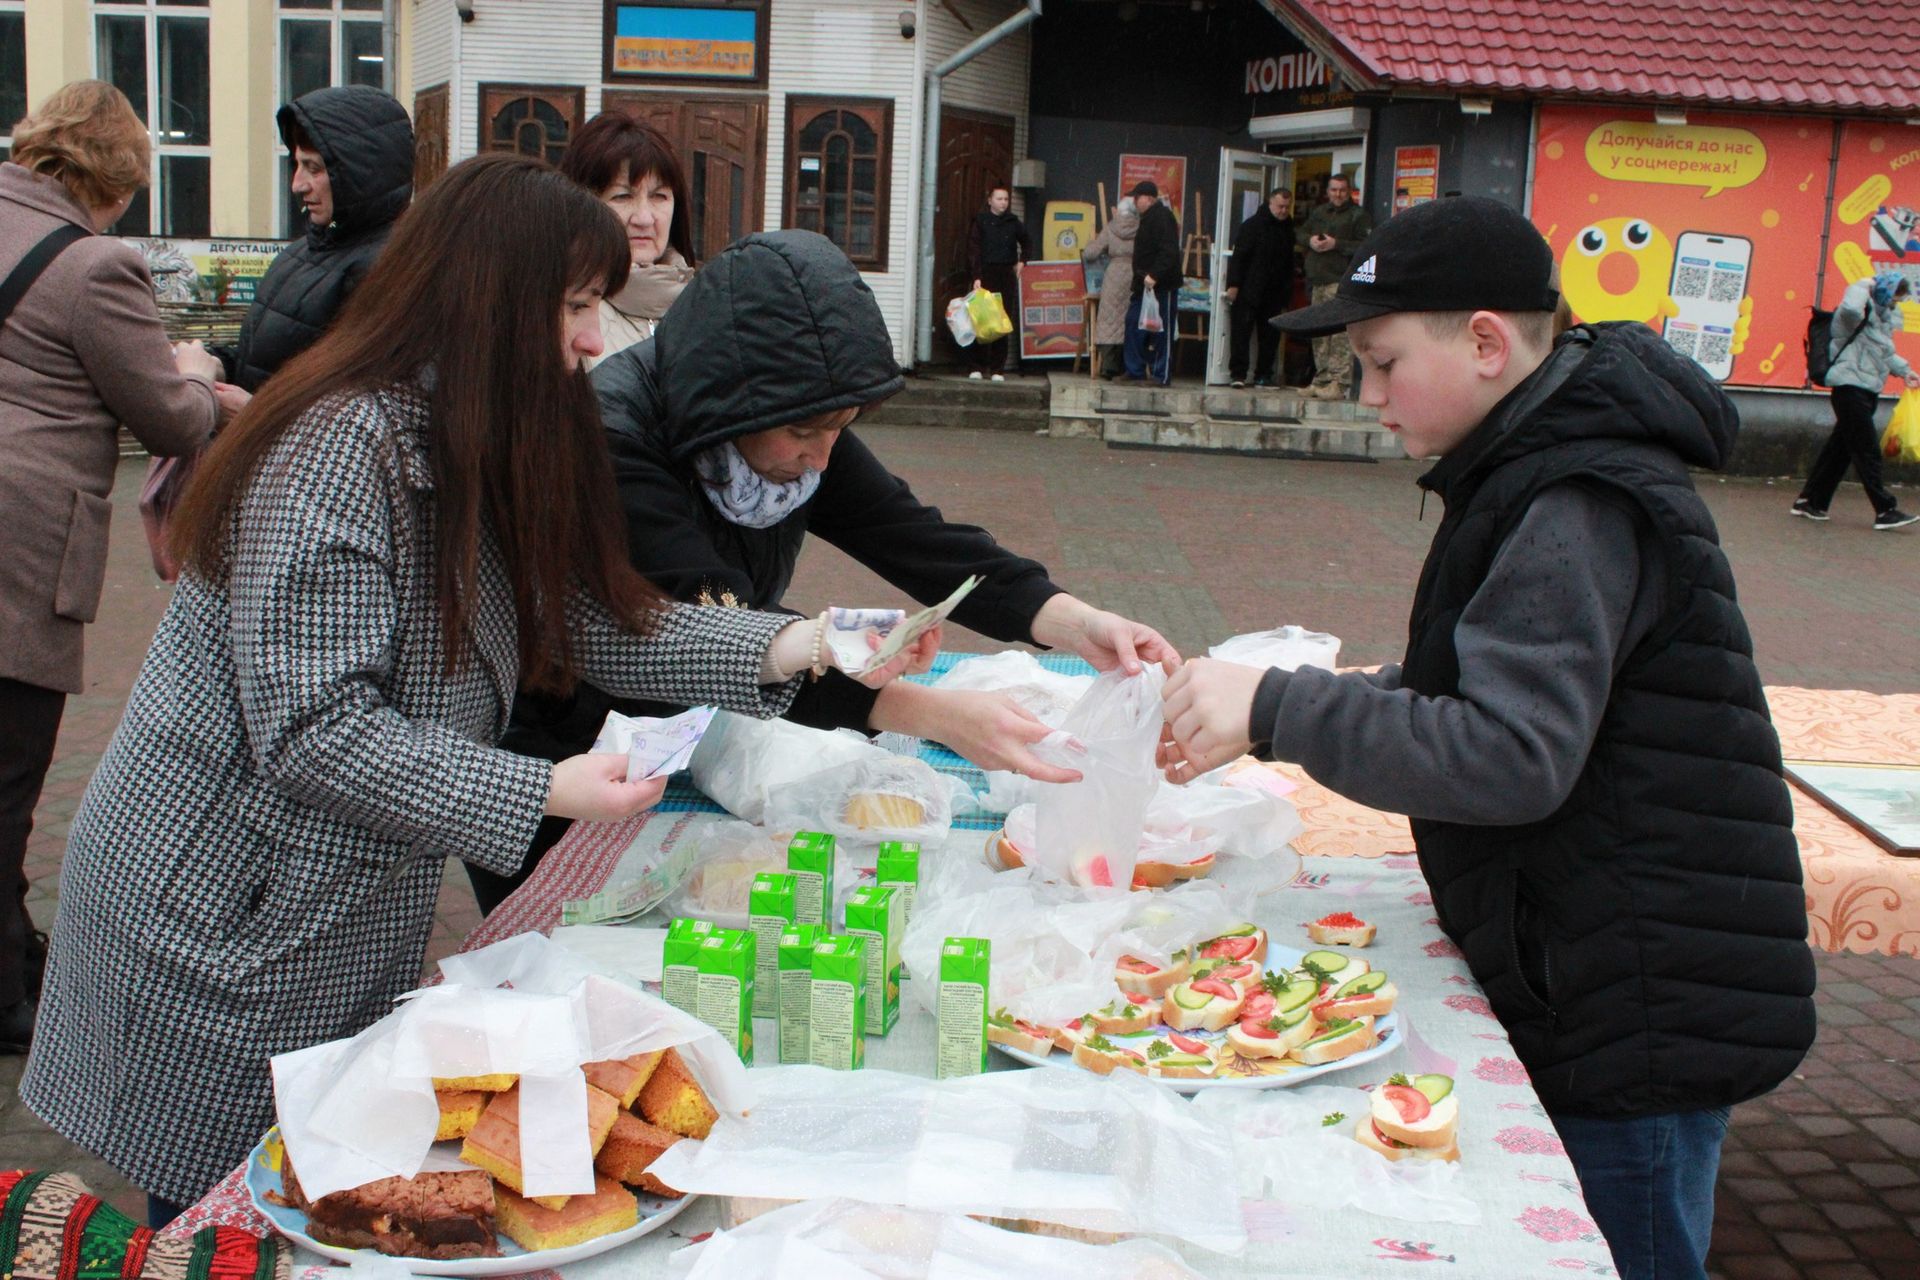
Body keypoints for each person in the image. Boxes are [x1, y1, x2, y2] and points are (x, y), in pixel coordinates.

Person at [18, 155, 909, 1222]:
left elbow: (586, 617)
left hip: (319, 904)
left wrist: (804, 642)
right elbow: (315, 728)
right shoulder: (336, 448)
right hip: (220, 915)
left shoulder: (474, 429)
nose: (592, 337)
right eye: (575, 305)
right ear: (490, 300)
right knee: (222, 1211)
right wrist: (546, 789)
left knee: (303, 1187)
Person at [1161, 197, 1815, 1280]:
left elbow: (1510, 753)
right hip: (1609, 972)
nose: (1368, 396)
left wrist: (1279, 705)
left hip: (1634, 1002)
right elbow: (1462, 692)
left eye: (1381, 361)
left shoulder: (1577, 495)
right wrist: (1278, 703)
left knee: (1633, 1252)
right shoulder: (1537, 465)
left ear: (1484, 341)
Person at [483, 230, 1181, 913]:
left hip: (685, 736)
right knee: (559, 954)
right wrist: (927, 711)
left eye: (839, 428)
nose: (821, 458)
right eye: (804, 435)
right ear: (732, 400)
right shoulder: (612, 441)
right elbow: (709, 633)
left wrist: (1073, 620)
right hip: (562, 758)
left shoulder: (791, 413)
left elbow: (913, 536)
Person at [0, 81, 220, 1056]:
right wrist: (203, 375)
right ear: (121, 178)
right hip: (17, 551)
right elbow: (166, 418)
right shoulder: (95, 267)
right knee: (9, 780)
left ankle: (15, 955)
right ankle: (8, 996)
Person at [208, 85, 413, 415]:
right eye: (296, 164)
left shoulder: (386, 271)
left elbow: (363, 413)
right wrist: (217, 364)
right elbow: (268, 366)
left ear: (361, 172)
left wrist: (251, 415)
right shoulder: (304, 253)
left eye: (314, 168)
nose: (297, 184)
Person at [559, 111, 698, 368]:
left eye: (659, 196)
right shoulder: (560, 320)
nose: (644, 218)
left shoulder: (706, 313)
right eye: (622, 196)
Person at [1792, 269, 1920, 529]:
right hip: (1848, 389)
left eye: (1900, 297)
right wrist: (1863, 284)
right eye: (1894, 293)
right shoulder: (1852, 314)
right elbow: (1850, 309)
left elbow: (1883, 353)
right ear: (1882, 288)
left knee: (1839, 452)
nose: (1896, 300)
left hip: (1867, 390)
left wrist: (1906, 372)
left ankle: (1810, 502)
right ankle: (1886, 510)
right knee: (1867, 450)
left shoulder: (1881, 321)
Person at [1295, 174, 1372, 399]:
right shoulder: (1320, 212)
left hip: (1340, 280)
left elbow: (1365, 246)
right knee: (1319, 331)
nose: (1337, 195)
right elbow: (1300, 232)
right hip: (1317, 280)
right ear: (1327, 191)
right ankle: (1322, 378)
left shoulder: (1358, 215)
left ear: (1349, 192)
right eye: (1334, 190)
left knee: (1339, 334)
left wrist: (1336, 244)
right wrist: (1310, 241)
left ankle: (1339, 383)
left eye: (1342, 190)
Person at [1225, 187, 1295, 388]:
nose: (1283, 211)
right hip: (1249, 289)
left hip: (1274, 291)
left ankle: (1263, 374)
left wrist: (1286, 294)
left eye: (1286, 207)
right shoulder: (1252, 226)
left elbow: (1289, 264)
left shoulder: (1287, 230)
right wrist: (1234, 284)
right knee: (1241, 332)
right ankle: (1238, 374)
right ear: (1270, 203)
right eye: (1280, 206)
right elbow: (1239, 258)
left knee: (1270, 336)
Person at [966, 183, 1031, 381]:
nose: (1003, 203)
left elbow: (1027, 241)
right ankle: (976, 366)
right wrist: (976, 276)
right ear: (990, 201)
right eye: (999, 199)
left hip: (1005, 274)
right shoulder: (981, 221)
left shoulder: (1013, 222)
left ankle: (997, 369)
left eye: (1005, 199)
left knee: (1002, 320)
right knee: (980, 320)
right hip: (985, 273)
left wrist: (1022, 261)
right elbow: (974, 249)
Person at [1123, 181, 1182, 386]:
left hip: (1161, 285)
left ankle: (1161, 374)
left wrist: (1155, 275)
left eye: (1136, 197)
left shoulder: (1162, 217)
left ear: (1148, 198)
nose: (1134, 201)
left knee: (1161, 329)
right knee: (1133, 323)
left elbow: (1169, 251)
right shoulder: (1147, 218)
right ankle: (1134, 370)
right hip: (1143, 285)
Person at [1081, 201, 1136, 380]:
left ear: (1118, 211)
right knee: (1128, 320)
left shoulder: (1111, 228)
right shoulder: (1141, 228)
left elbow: (1091, 254)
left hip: (1114, 276)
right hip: (1135, 276)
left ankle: (1108, 366)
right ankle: (1127, 366)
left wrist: (1089, 244)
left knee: (1109, 318)